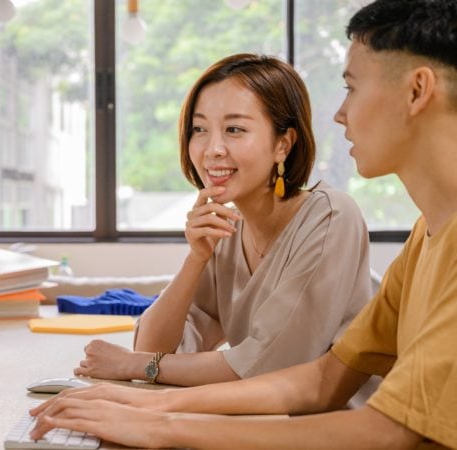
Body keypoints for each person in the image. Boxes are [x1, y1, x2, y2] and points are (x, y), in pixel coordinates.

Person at [28, 0, 457, 448]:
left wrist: (161, 422)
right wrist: (152, 406)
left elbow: (391, 431)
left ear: (417, 90)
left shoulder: (333, 216)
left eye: (351, 88)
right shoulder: (425, 236)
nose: (339, 113)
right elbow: (323, 380)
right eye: (200, 129)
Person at [73, 53, 372, 388]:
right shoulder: (228, 230)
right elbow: (154, 348)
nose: (212, 149)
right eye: (199, 129)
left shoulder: (331, 217)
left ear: (282, 145)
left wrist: (134, 366)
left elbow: (268, 366)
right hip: (263, 421)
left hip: (340, 426)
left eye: (234, 129)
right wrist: (195, 259)